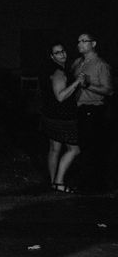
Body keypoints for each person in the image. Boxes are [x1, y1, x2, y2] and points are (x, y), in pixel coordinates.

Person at [71, 33, 114, 192]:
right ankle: (87, 182)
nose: (80, 44)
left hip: (94, 109)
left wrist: (88, 86)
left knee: (93, 147)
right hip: (79, 109)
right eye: (78, 41)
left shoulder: (101, 65)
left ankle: (95, 184)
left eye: (84, 41)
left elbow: (109, 90)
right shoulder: (77, 63)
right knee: (82, 146)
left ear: (93, 43)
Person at [39, 43, 85, 193]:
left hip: (51, 115)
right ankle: (59, 182)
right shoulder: (58, 72)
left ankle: (53, 183)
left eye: (63, 51)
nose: (62, 54)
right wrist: (77, 82)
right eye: (57, 53)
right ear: (52, 56)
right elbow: (60, 96)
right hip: (62, 118)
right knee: (74, 150)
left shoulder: (55, 70)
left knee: (55, 148)